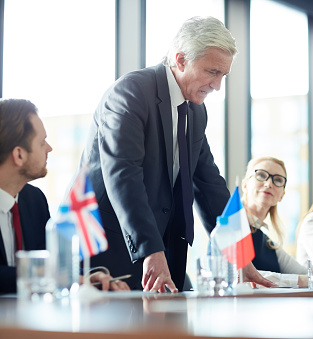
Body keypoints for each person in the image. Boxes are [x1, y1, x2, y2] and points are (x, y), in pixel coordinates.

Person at [74, 16, 273, 292]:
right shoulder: (131, 93)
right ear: (180, 60)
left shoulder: (196, 109)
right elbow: (123, 176)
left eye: (223, 75)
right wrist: (151, 251)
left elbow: (209, 184)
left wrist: (239, 254)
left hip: (165, 251)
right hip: (113, 252)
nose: (217, 86)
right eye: (212, 72)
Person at [0, 98, 129, 294]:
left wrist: (86, 279)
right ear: (19, 155)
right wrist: (48, 276)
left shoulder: (34, 200)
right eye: (42, 142)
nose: (49, 148)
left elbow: (54, 267)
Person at [241, 157, 307, 287]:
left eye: (277, 180)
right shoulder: (230, 227)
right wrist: (299, 281)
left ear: (282, 195)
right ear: (245, 185)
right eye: (261, 175)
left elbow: (306, 274)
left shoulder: (268, 244)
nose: (268, 183)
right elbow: (239, 275)